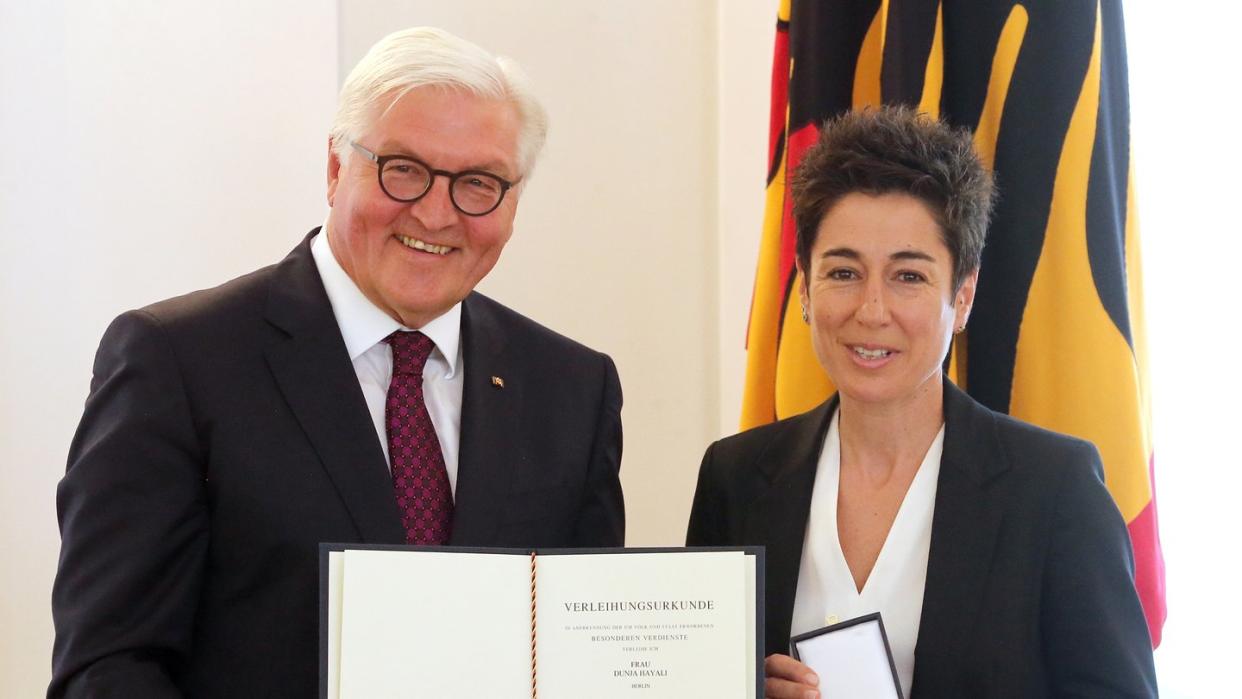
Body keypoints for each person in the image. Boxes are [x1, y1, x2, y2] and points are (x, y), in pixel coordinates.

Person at [50, 27, 623, 698]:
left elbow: (585, 659)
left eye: (478, 182)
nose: (437, 214)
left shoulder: (573, 390)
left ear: (513, 201)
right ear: (334, 168)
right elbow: (108, 667)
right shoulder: (178, 361)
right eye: (403, 168)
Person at [686, 106, 1156, 697]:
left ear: (962, 296)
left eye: (908, 276)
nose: (872, 311)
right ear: (804, 288)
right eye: (842, 273)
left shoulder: (1054, 488)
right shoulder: (735, 477)